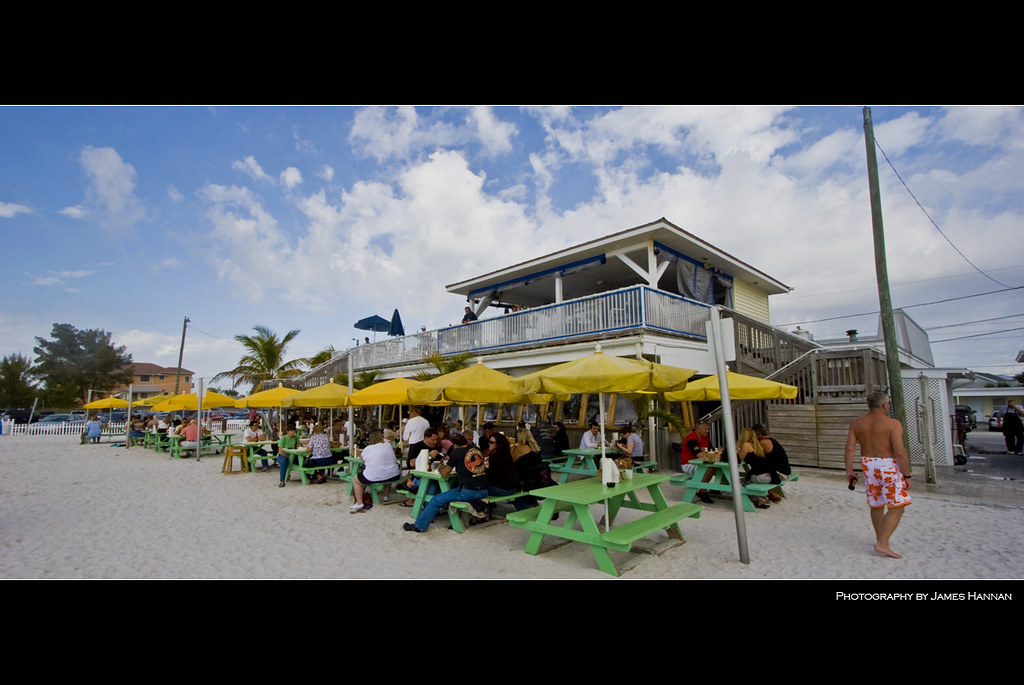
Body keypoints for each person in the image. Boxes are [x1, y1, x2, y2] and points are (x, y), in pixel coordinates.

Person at [844, 391, 912, 559]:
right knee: (897, 506)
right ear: (884, 405)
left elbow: (850, 448)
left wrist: (849, 470)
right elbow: (900, 452)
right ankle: (882, 543)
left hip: (868, 464)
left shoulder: (856, 423)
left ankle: (881, 539)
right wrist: (907, 475)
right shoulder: (893, 424)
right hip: (887, 465)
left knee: (877, 504)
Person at [404, 446, 489, 533]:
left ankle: (419, 526)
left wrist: (441, 467)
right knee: (453, 490)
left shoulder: (457, 452)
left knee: (436, 499)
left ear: (455, 445)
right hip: (484, 491)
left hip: (468, 492)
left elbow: (444, 474)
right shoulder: (476, 449)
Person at [351, 431, 401, 512]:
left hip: (376, 476)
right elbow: (387, 440)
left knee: (356, 480)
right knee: (387, 469)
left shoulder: (368, 448)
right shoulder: (388, 445)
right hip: (394, 475)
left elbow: (362, 459)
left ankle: (359, 502)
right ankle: (386, 496)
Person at [736, 427, 772, 509]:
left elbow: (738, 459)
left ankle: (758, 500)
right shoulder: (755, 445)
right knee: (747, 479)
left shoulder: (746, 445)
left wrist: (738, 447)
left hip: (760, 476)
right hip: (767, 474)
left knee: (738, 482)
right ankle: (761, 497)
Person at [680, 422, 714, 504]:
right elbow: (699, 454)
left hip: (700, 463)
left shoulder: (705, 439)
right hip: (688, 465)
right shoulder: (691, 439)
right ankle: (702, 491)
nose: (707, 431)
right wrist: (712, 455)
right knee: (708, 468)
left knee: (718, 468)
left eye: (708, 429)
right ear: (699, 429)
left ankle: (717, 488)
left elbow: (713, 450)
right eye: (705, 429)